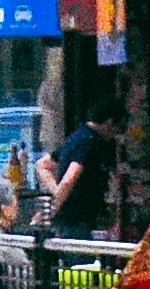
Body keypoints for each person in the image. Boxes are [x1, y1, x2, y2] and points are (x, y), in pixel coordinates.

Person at [46, 98, 123, 239]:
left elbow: (43, 164)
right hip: (77, 220)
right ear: (110, 122)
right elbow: (69, 179)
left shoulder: (76, 137)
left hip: (70, 218)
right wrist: (53, 208)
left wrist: (54, 191)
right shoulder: (89, 142)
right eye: (118, 128)